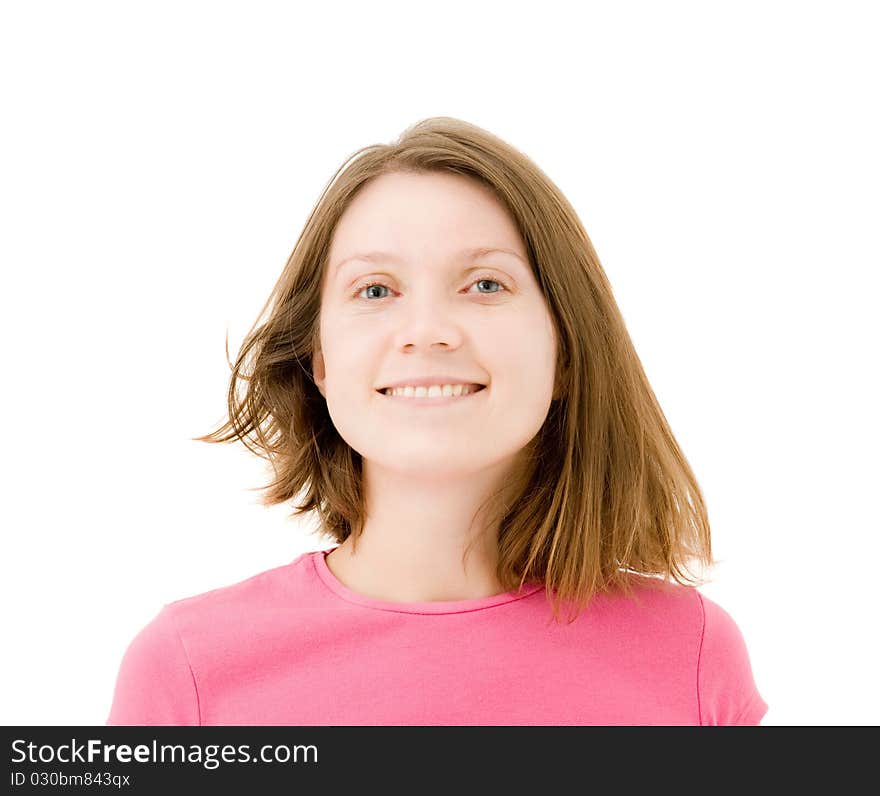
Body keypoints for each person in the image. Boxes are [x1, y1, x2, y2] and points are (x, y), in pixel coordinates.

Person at [106, 117, 768, 726]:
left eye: (485, 284)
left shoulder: (694, 654)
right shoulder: (187, 670)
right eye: (375, 290)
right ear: (321, 362)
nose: (426, 331)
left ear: (565, 349)